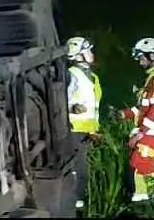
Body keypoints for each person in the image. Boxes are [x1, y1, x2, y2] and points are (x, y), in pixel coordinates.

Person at [119, 37, 154, 203]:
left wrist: (141, 133)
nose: (140, 62)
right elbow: (144, 108)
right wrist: (125, 114)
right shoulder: (152, 78)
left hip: (152, 133)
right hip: (148, 132)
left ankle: (141, 204)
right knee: (148, 169)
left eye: (142, 58)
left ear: (153, 56)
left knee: (138, 166)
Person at [66, 36, 103, 211]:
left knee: (82, 172)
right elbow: (59, 101)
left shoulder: (93, 77)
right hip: (73, 131)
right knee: (76, 171)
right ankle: (72, 207)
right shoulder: (72, 74)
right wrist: (72, 107)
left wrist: (93, 130)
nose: (91, 54)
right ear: (78, 55)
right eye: (88, 50)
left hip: (85, 133)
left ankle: (77, 206)